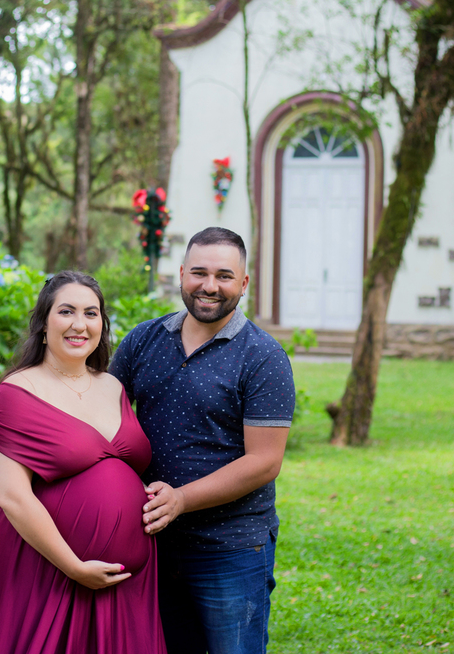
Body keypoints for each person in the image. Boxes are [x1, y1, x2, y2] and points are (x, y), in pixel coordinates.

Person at [109, 227, 296, 654]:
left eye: (225, 276)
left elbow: (265, 462)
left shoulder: (263, 357)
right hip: (150, 542)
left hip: (230, 548)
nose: (210, 286)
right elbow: (104, 416)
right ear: (181, 274)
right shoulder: (143, 340)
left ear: (243, 283)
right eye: (199, 272)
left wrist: (180, 500)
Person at [0, 271, 167, 654]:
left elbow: (119, 466)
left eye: (91, 314)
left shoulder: (113, 386)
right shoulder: (18, 391)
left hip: (129, 581)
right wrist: (73, 566)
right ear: (43, 324)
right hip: (49, 570)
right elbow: (12, 496)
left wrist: (149, 493)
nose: (79, 324)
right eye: (66, 311)